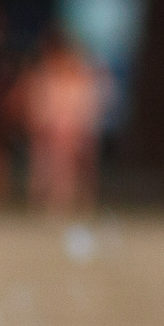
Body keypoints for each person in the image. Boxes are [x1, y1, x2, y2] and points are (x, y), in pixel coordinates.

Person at [18, 29, 112, 214]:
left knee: (76, 168)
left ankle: (78, 203)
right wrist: (43, 123)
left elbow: (92, 103)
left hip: (77, 129)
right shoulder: (47, 75)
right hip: (52, 129)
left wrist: (83, 126)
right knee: (47, 167)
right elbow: (40, 101)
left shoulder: (85, 78)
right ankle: (47, 202)